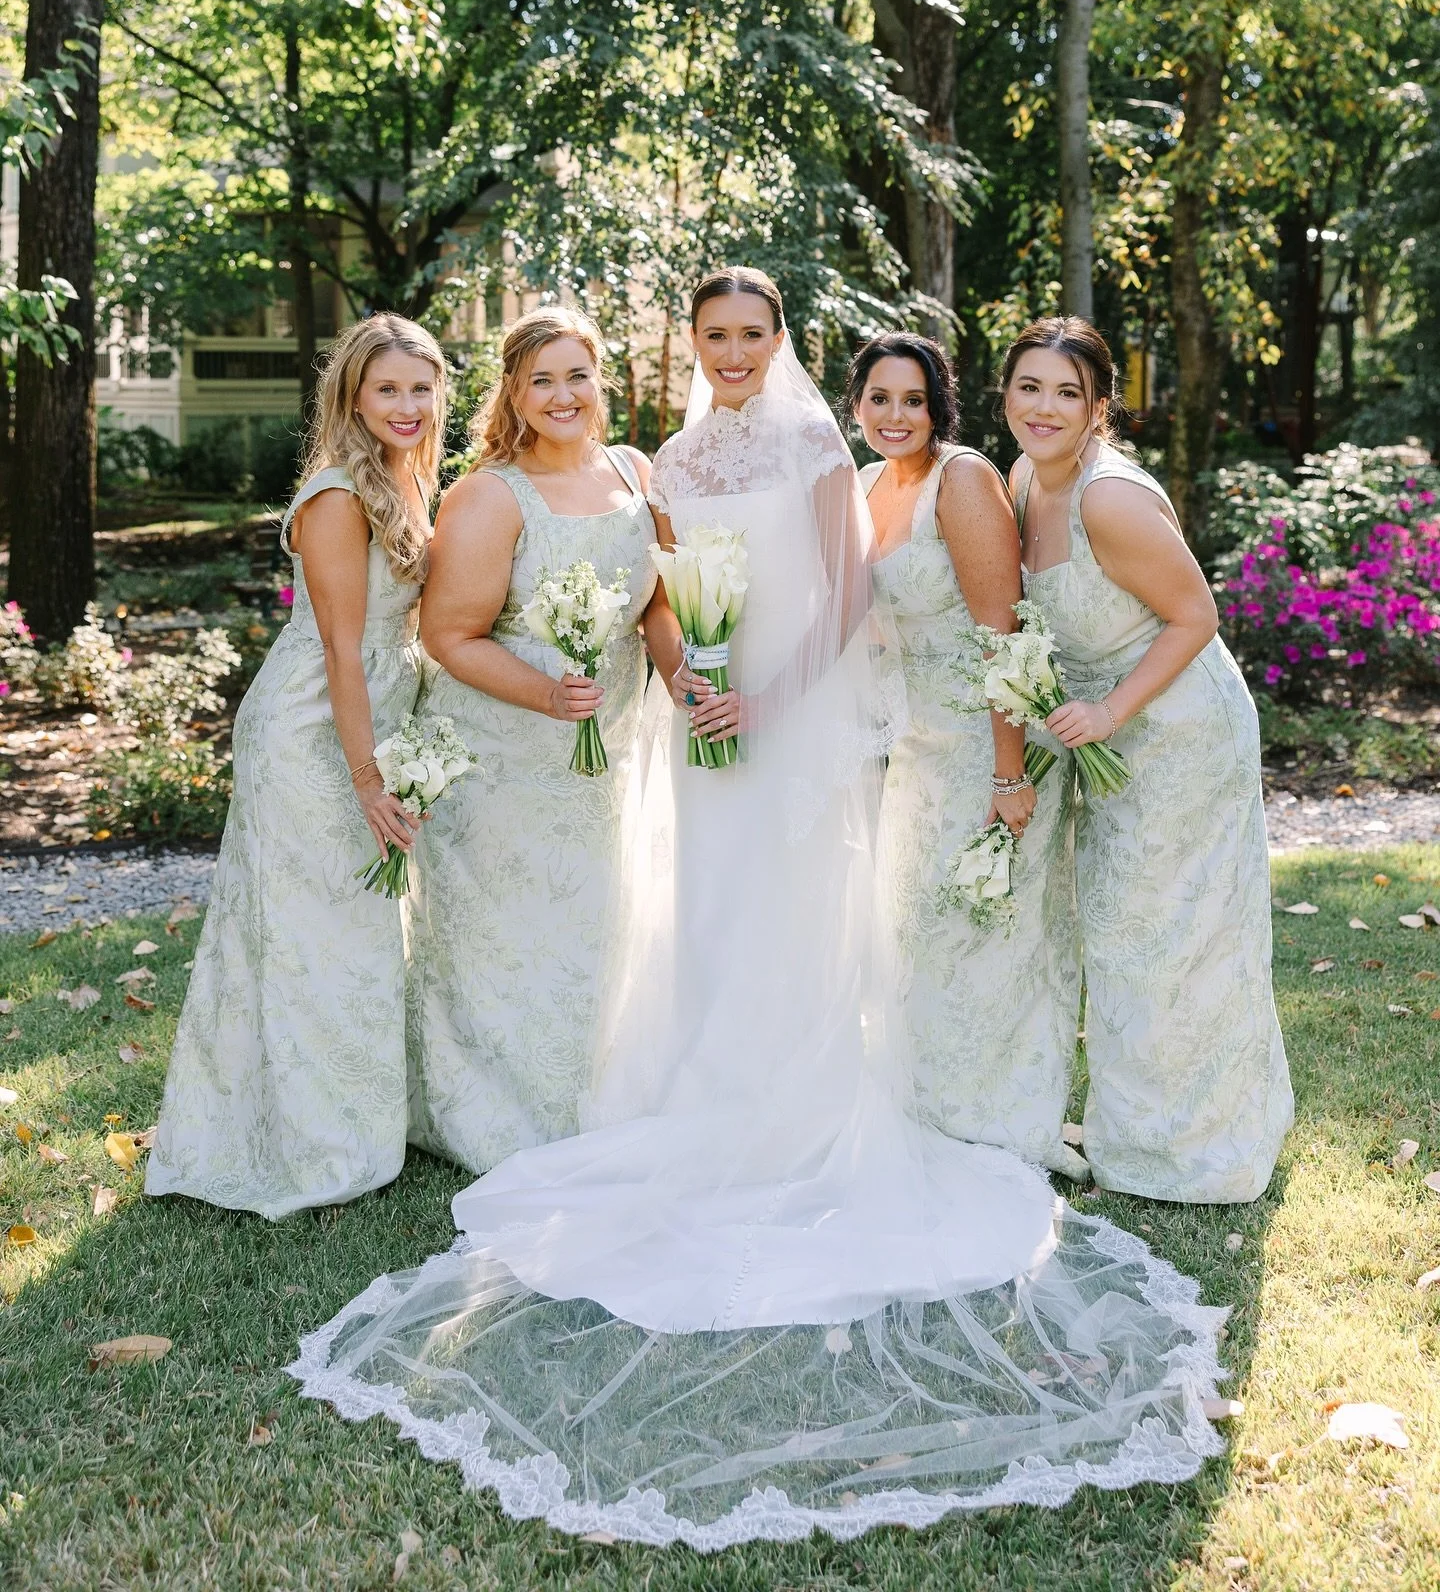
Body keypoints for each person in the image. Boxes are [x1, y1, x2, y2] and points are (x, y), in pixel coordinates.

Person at [291, 273, 1229, 1547]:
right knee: (701, 900)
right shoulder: (663, 454)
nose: (734, 355)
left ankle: (802, 1095)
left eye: (754, 336)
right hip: (708, 720)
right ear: (690, 350)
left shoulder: (818, 445)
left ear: (780, 344)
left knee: (804, 903)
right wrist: (689, 680)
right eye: (714, 338)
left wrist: (776, 696)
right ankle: (697, 1084)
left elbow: (848, 589)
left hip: (800, 713)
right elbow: (662, 594)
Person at [147, 314, 446, 1218]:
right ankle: (308, 1140)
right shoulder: (335, 495)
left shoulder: (406, 478)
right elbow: (344, 652)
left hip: (369, 729)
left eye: (421, 388)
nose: (406, 405)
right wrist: (368, 779)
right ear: (351, 395)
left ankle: (356, 1119)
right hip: (311, 733)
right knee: (314, 934)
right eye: (387, 388)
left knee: (355, 931)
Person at [1003, 315, 1292, 1202]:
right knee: (1124, 932)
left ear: (1098, 410)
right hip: (1108, 734)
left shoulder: (1108, 498)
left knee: (1172, 931)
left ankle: (1198, 1146)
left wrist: (1110, 708)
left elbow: (1195, 617)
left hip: (1179, 731)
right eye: (1029, 387)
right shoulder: (1020, 478)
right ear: (1005, 393)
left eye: (1068, 393)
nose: (1044, 407)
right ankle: (1139, 1127)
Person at [405, 306, 660, 1173]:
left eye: (576, 376)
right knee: (507, 932)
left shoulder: (633, 470)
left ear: (601, 381)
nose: (562, 394)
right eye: (541, 379)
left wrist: (687, 672)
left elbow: (654, 601)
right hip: (504, 756)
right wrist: (549, 695)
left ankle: (597, 1088)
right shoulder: (487, 494)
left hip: (607, 749)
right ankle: (497, 1106)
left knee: (597, 921)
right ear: (512, 391)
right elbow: (449, 635)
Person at [852, 333, 1082, 1178]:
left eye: (913, 400)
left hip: (993, 745)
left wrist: (1009, 773)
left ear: (938, 403)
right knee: (923, 933)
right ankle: (935, 1104)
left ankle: (1002, 1115)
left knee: (993, 931)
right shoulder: (865, 486)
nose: (896, 415)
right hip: (918, 749)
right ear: (857, 405)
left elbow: (1004, 637)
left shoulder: (964, 479)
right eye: (880, 398)